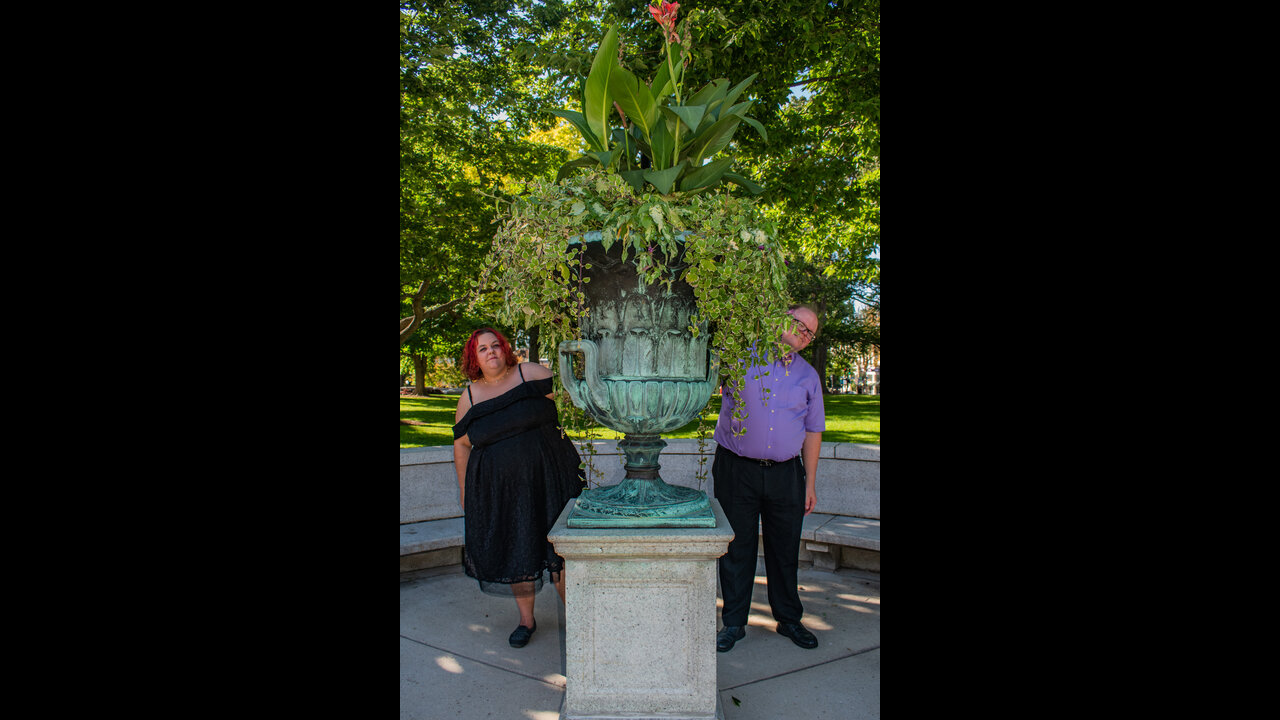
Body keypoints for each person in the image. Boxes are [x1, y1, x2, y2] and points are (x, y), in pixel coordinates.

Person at [452, 327, 586, 648]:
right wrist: (464, 491)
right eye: (482, 349)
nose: (491, 352)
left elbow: (569, 403)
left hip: (551, 482)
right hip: (504, 493)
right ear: (474, 358)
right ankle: (526, 621)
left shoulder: (530, 374)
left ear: (505, 348)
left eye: (495, 345)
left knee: (561, 552)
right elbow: (461, 445)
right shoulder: (469, 397)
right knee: (518, 549)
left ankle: (582, 619)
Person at [712, 305, 825, 652]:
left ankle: (789, 618)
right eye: (799, 325)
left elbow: (813, 431)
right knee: (736, 548)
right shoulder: (739, 358)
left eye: (810, 332)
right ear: (780, 319)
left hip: (787, 475)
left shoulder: (808, 377)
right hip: (737, 469)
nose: (804, 334)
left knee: (785, 549)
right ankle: (733, 623)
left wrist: (809, 483)